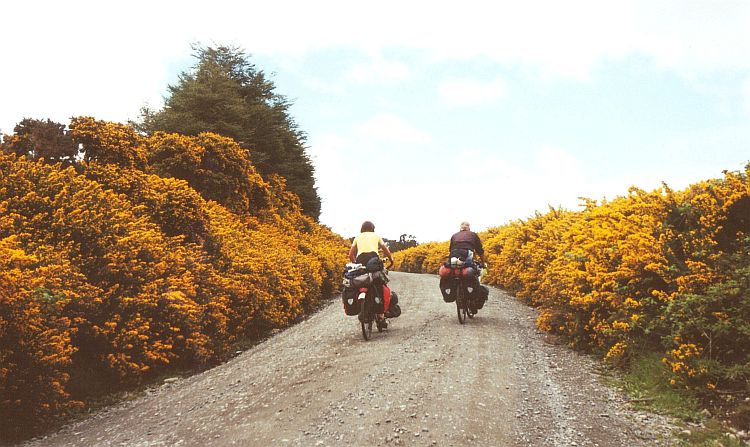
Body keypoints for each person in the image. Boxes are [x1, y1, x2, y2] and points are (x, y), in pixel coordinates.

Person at [349, 221, 394, 328]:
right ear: (373, 228)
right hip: (374, 261)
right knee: (380, 284)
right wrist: (391, 259)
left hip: (361, 261)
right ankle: (381, 316)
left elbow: (350, 254)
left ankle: (361, 306)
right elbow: (385, 250)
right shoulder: (376, 236)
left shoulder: (357, 237)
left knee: (360, 281)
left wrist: (356, 264)